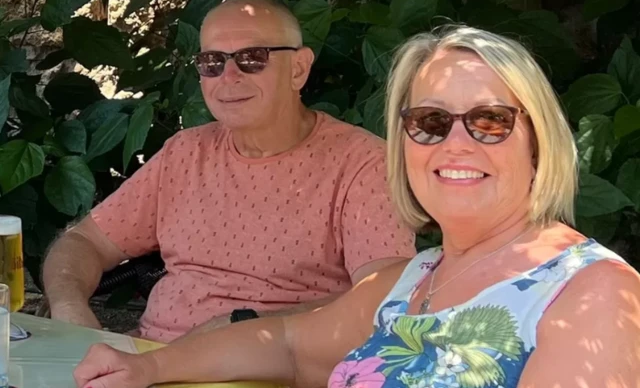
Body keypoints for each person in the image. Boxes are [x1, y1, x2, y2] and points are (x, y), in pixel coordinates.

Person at [73, 25, 640, 388]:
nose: (456, 143)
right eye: (430, 122)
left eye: (491, 121)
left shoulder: (593, 291)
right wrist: (147, 367)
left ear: (538, 142)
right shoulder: (412, 279)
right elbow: (288, 346)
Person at [42, 0, 416, 344]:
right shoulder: (186, 153)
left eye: (252, 58)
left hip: (274, 373)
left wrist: (244, 327)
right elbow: (86, 241)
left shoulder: (361, 164)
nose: (229, 77)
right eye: (212, 63)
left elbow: (383, 299)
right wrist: (68, 304)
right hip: (149, 363)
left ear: (299, 69)